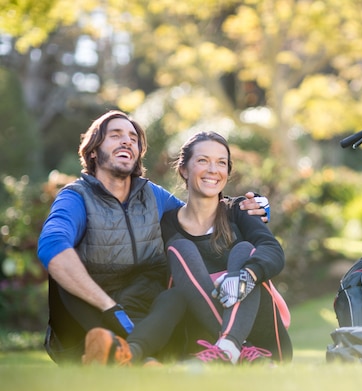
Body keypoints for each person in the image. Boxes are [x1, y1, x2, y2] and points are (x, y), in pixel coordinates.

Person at [37, 110, 268, 364]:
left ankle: (130, 356)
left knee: (176, 295)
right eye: (115, 135)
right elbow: (52, 246)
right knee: (63, 275)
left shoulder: (152, 196)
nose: (127, 141)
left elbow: (199, 215)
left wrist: (247, 207)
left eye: (133, 138)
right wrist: (109, 307)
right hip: (88, 316)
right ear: (93, 151)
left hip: (140, 315)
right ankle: (101, 348)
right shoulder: (76, 197)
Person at [81, 131, 292, 366]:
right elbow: (149, 280)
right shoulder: (167, 225)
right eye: (203, 161)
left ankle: (232, 345)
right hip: (204, 347)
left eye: (221, 163)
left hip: (262, 345)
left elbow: (272, 251)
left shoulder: (240, 211)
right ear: (183, 169)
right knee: (178, 263)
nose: (213, 169)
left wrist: (246, 276)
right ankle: (128, 353)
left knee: (244, 251)